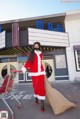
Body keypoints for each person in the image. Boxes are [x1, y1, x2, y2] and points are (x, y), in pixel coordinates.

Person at [21, 42, 46, 112]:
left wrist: (43, 70)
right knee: (35, 86)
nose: (36, 47)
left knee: (41, 87)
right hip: (34, 73)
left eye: (37, 46)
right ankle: (36, 98)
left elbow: (40, 63)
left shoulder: (41, 54)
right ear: (33, 47)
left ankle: (42, 104)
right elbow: (28, 62)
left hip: (41, 72)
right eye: (35, 46)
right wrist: (24, 68)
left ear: (39, 46)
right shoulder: (31, 53)